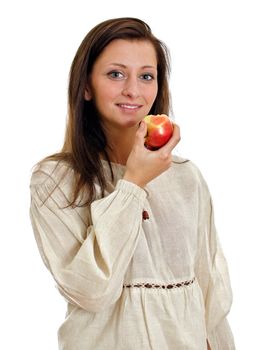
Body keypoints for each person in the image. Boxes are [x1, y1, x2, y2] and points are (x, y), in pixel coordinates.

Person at [29, 17, 235, 349]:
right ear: (85, 86)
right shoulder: (55, 181)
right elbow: (92, 290)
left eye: (146, 76)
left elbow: (209, 294)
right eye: (116, 74)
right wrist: (134, 183)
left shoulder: (186, 177)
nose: (133, 90)